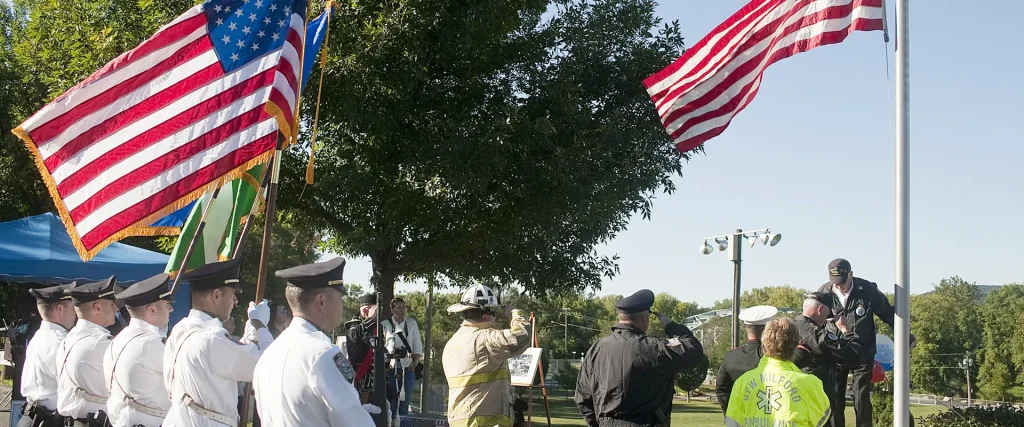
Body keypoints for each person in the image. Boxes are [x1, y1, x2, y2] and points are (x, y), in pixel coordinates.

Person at [253, 257, 381, 426]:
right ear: (321, 301)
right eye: (340, 298)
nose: (342, 305)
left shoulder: (269, 353)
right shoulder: (323, 354)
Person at [162, 259, 273, 427]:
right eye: (232, 294)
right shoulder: (212, 339)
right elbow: (270, 366)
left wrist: (249, 335)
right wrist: (261, 325)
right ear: (216, 295)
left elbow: (223, 359)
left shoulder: (181, 330)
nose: (235, 301)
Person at [575, 289, 707, 427]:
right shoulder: (652, 348)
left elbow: (582, 397)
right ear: (644, 318)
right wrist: (671, 326)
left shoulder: (597, 349)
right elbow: (694, 351)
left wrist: (598, 423)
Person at [817, 258, 915, 427]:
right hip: (837, 350)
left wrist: (905, 335)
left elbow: (887, 313)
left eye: (842, 281)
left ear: (850, 275)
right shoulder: (824, 292)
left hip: (862, 349)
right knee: (835, 397)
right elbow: (814, 319)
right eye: (835, 282)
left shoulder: (867, 290)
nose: (839, 286)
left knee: (861, 395)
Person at [442, 283, 531, 427]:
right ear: (485, 317)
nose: (495, 320)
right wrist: (515, 313)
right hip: (485, 422)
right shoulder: (485, 339)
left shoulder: (453, 342)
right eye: (494, 314)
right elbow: (522, 336)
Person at [724, 318, 832, 427]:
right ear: (796, 344)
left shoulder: (743, 382)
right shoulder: (810, 384)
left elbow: (733, 423)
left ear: (764, 343)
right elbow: (821, 421)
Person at [103, 273, 174, 427]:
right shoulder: (152, 344)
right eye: (166, 304)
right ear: (152, 310)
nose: (171, 309)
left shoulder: (117, 340)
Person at [56, 277, 120, 427]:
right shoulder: (100, 343)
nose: (116, 308)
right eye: (111, 304)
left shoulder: (69, 337)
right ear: (97, 308)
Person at [794, 292, 862, 427]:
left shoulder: (789, 328)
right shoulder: (816, 334)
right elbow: (853, 353)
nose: (826, 320)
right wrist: (846, 331)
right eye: (827, 315)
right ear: (820, 310)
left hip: (793, 396)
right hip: (816, 399)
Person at [19, 283, 77, 427]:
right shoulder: (59, 342)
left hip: (33, 417)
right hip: (47, 420)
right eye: (73, 307)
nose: (76, 312)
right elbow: (71, 387)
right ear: (60, 309)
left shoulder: (40, 336)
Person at [715, 305, 777, 413]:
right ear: (768, 329)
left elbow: (722, 389)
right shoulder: (773, 356)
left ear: (746, 328)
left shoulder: (731, 356)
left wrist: (731, 415)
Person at [381, 297, 424, 416]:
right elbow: (382, 347)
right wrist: (387, 361)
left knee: (404, 402)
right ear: (392, 309)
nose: (402, 310)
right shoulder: (385, 325)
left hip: (408, 367)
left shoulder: (411, 323)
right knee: (391, 401)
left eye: (404, 307)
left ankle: (403, 422)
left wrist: (414, 363)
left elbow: (417, 345)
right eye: (398, 308)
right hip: (391, 368)